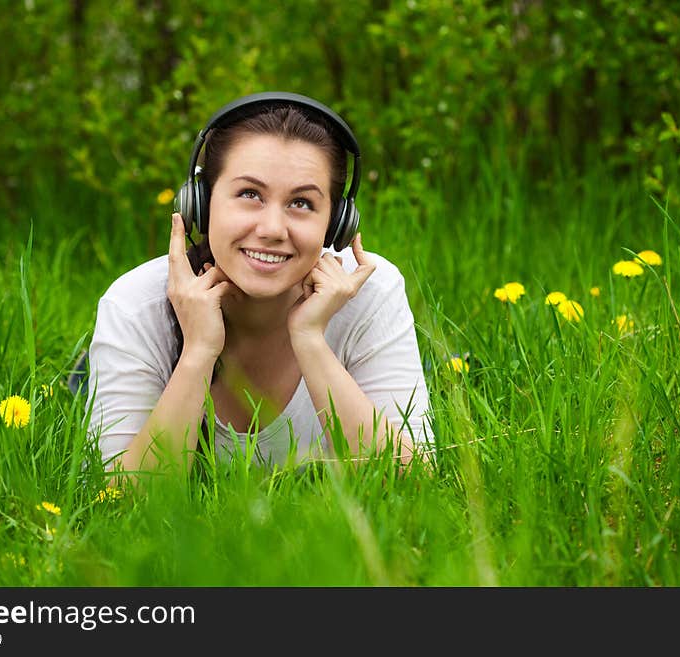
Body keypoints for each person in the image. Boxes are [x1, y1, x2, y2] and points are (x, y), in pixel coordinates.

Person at [84, 92, 433, 479]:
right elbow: (119, 502)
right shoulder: (134, 305)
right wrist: (198, 352)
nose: (271, 230)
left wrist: (311, 340)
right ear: (199, 203)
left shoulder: (370, 291)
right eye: (249, 194)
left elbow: (412, 483)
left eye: (301, 203)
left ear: (336, 223)